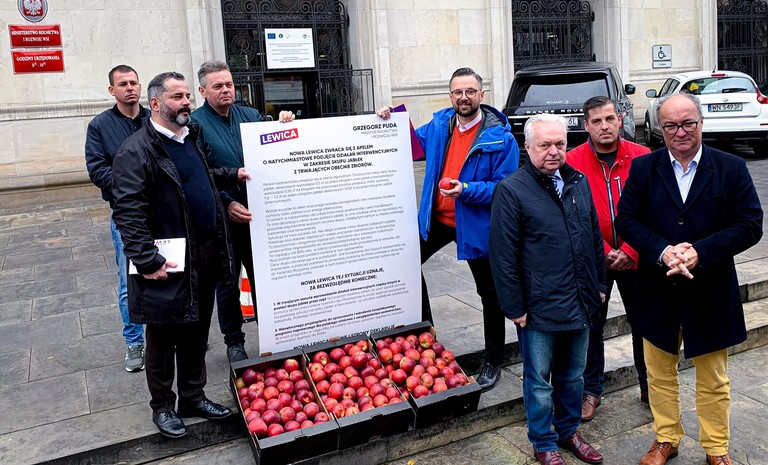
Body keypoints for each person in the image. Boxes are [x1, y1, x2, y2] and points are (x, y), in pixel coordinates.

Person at [616, 93, 763, 465]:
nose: (679, 132)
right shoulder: (644, 168)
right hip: (657, 289)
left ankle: (716, 448)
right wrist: (663, 250)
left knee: (713, 377)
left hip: (710, 290)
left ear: (701, 123)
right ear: (659, 128)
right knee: (659, 373)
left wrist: (701, 251)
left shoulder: (730, 167)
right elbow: (627, 220)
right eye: (670, 126)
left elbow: (750, 224)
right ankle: (666, 438)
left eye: (687, 124)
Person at [111, 71, 247, 438]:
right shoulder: (137, 150)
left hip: (204, 255)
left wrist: (233, 173)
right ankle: (163, 407)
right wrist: (146, 260)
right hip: (166, 261)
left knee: (196, 330)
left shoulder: (190, 138)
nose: (187, 102)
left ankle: (192, 396)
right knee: (162, 336)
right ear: (156, 103)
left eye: (187, 96)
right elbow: (128, 211)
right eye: (177, 97)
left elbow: (200, 178)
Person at [377, 67, 519, 392]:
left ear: (481, 95)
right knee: (405, 265)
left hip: (475, 224)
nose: (463, 97)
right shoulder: (440, 125)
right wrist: (389, 120)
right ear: (450, 96)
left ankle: (493, 362)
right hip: (437, 219)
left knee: (490, 294)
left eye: (470, 91)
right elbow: (409, 145)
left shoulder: (501, 137)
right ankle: (426, 334)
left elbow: (504, 188)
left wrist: (466, 189)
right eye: (458, 92)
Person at [489, 113, 606, 465]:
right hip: (538, 307)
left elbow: (594, 239)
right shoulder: (511, 190)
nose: (554, 151)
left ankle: (568, 431)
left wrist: (599, 285)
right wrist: (514, 307)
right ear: (528, 147)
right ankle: (543, 441)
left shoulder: (578, 182)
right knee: (539, 381)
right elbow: (503, 255)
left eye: (560, 144)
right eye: (545, 145)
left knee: (573, 375)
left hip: (580, 301)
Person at [190, 61, 294, 363]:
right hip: (223, 221)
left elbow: (276, 152)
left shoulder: (250, 116)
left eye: (229, 84)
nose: (226, 90)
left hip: (259, 217)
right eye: (218, 86)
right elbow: (199, 176)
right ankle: (234, 341)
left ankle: (272, 333)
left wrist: (284, 124)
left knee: (265, 279)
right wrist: (226, 203)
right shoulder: (195, 125)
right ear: (202, 91)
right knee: (227, 282)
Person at [566, 96, 650, 421]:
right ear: (586, 126)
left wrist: (631, 250)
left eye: (609, 119)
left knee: (645, 323)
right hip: (593, 259)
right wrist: (602, 250)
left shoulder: (642, 157)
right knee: (591, 325)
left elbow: (654, 210)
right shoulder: (572, 162)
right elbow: (571, 215)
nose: (604, 126)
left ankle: (650, 385)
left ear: (620, 120)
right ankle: (591, 390)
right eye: (597, 121)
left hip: (637, 257)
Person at [84, 65, 150, 373]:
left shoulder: (154, 117)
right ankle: (134, 342)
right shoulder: (100, 126)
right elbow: (97, 170)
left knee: (169, 271)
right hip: (125, 213)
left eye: (134, 82)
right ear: (112, 90)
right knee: (129, 281)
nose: (130, 87)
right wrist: (135, 184)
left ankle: (169, 332)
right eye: (123, 84)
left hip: (161, 211)